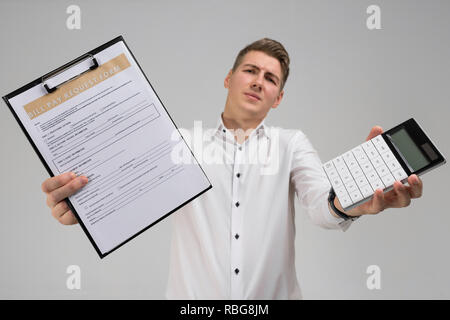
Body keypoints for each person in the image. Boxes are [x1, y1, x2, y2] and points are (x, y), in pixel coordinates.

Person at [41, 38, 423, 299]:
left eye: (270, 78)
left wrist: (356, 200)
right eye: (250, 71)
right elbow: (125, 190)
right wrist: (84, 207)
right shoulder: (180, 144)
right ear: (229, 78)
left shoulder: (291, 144)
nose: (259, 81)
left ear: (278, 98)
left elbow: (321, 206)